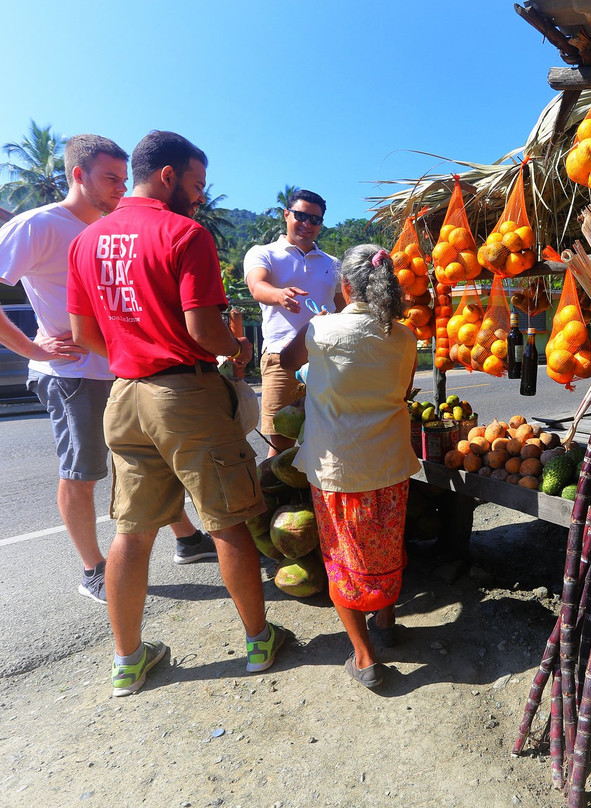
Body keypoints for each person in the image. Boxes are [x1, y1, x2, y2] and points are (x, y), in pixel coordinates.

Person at [67, 130, 289, 696]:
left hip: (125, 397)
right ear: (167, 176)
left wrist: (131, 352)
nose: (197, 197)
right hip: (184, 397)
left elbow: (82, 334)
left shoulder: (87, 241)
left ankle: (128, 660)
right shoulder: (185, 234)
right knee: (226, 520)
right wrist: (237, 349)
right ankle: (260, 641)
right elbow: (202, 330)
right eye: (195, 185)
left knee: (132, 531)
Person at [0, 134, 213, 606]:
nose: (120, 188)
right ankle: (92, 568)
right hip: (73, 373)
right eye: (110, 179)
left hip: (122, 368)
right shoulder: (38, 225)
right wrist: (31, 349)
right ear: (78, 175)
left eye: (123, 178)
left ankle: (185, 537)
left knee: (145, 460)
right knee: (83, 470)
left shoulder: (113, 224)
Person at [280, 244, 419, 691]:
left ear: (345, 287)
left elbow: (285, 363)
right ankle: (386, 624)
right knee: (385, 547)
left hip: (339, 470)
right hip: (390, 465)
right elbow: (404, 387)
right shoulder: (404, 335)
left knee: (343, 557)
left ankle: (364, 656)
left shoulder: (321, 330)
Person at [244, 190, 342, 456]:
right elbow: (257, 285)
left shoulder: (333, 264)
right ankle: (272, 497)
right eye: (301, 216)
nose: (307, 224)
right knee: (281, 445)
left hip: (327, 361)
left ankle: (313, 498)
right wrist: (279, 295)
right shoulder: (263, 253)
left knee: (327, 441)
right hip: (281, 358)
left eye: (315, 220)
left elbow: (345, 307)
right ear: (286, 215)